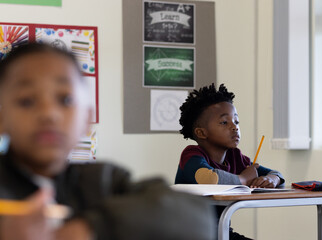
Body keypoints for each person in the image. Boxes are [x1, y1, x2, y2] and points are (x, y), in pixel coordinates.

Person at [0, 43, 216, 240]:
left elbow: (198, 220)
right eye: (27, 101)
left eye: (65, 99)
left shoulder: (102, 181)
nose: (48, 114)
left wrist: (90, 227)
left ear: (86, 119)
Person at [175, 83, 285, 240]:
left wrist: (270, 180)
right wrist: (244, 179)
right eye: (224, 122)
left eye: (236, 121)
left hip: (221, 233)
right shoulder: (192, 155)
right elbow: (209, 179)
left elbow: (277, 175)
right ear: (201, 132)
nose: (234, 127)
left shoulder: (235, 157)